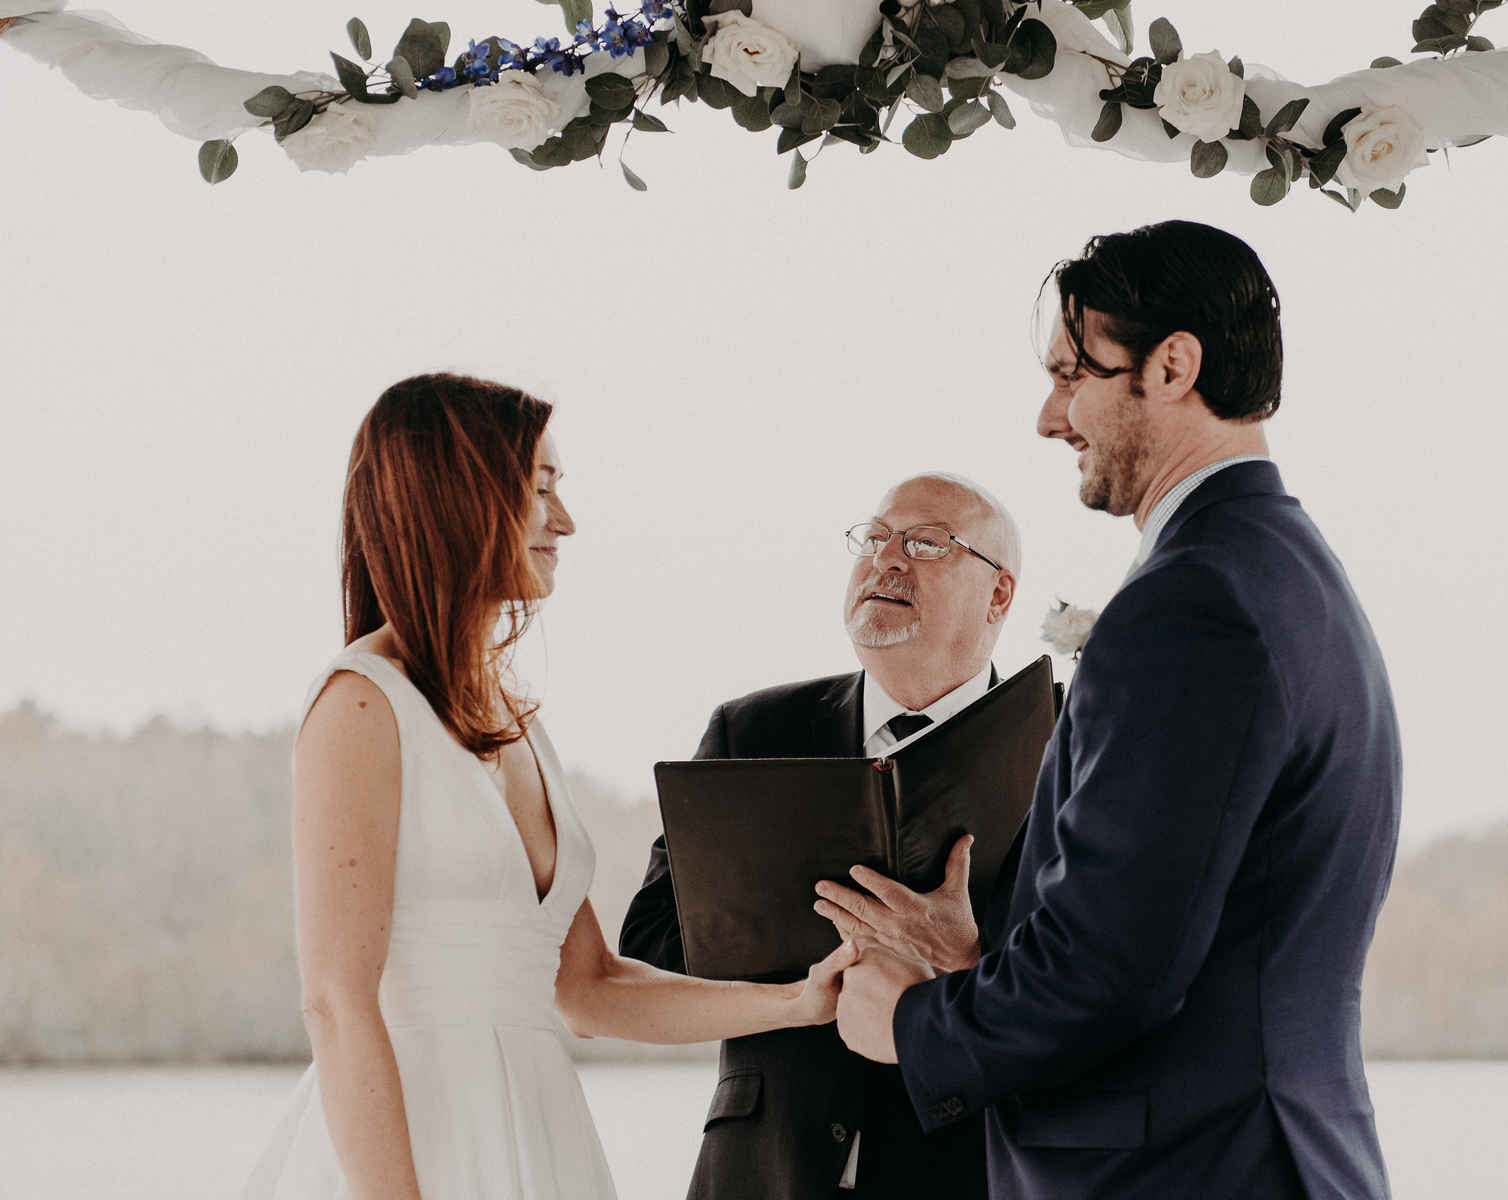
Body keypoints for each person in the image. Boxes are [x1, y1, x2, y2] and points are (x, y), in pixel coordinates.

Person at [835, 221, 1403, 1200]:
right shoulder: (1286, 570)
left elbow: (1116, 970)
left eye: (1074, 374)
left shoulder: (1194, 602)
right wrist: (979, 952)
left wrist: (913, 1025)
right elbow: (1199, 917)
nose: (1050, 418)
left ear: (1172, 366)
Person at [244, 373, 858, 1200]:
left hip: (540, 1136)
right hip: (408, 1148)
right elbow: (336, 1004)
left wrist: (797, 1002)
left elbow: (590, 988)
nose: (565, 520)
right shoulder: (361, 703)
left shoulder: (514, 719)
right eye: (540, 490)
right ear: (459, 498)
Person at [618, 471, 1023, 1200]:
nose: (887, 559)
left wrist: (968, 953)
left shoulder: (1062, 751)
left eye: (926, 543)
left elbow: (1100, 981)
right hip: (761, 1172)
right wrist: (831, 945)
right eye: (875, 538)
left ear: (999, 595)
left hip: (970, 1171)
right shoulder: (751, 731)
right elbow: (650, 948)